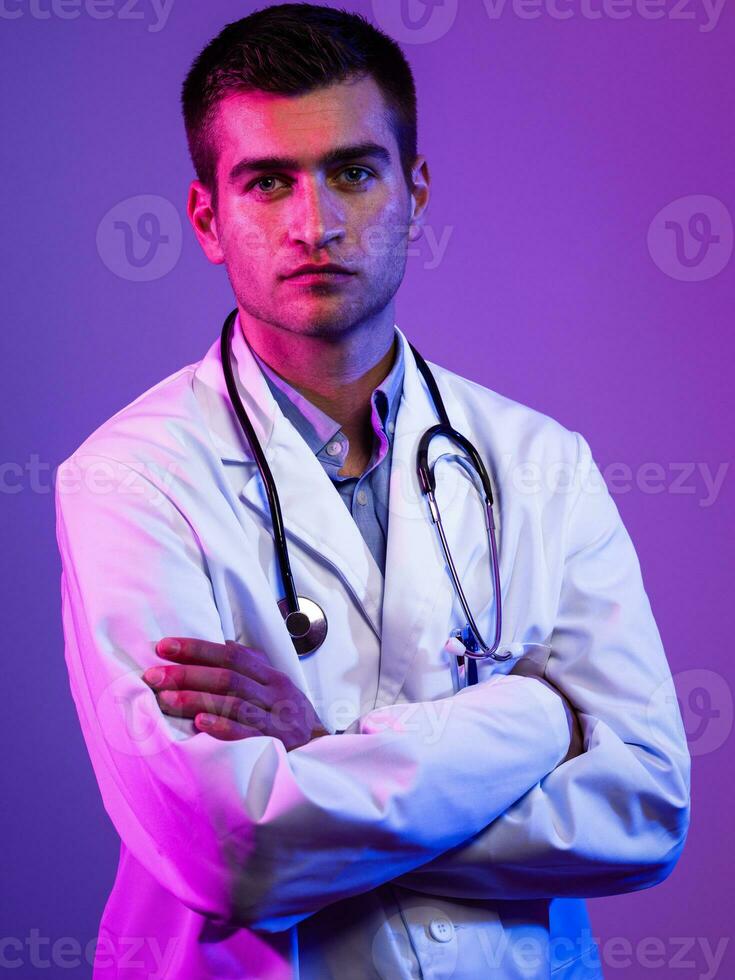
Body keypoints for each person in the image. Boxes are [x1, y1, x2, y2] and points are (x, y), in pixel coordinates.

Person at [54, 4, 691, 978]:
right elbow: (232, 849)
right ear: (206, 219)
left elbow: (645, 808)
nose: (316, 223)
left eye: (354, 171)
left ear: (416, 190)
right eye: (268, 182)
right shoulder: (128, 476)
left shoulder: (541, 460)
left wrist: (323, 750)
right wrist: (537, 717)